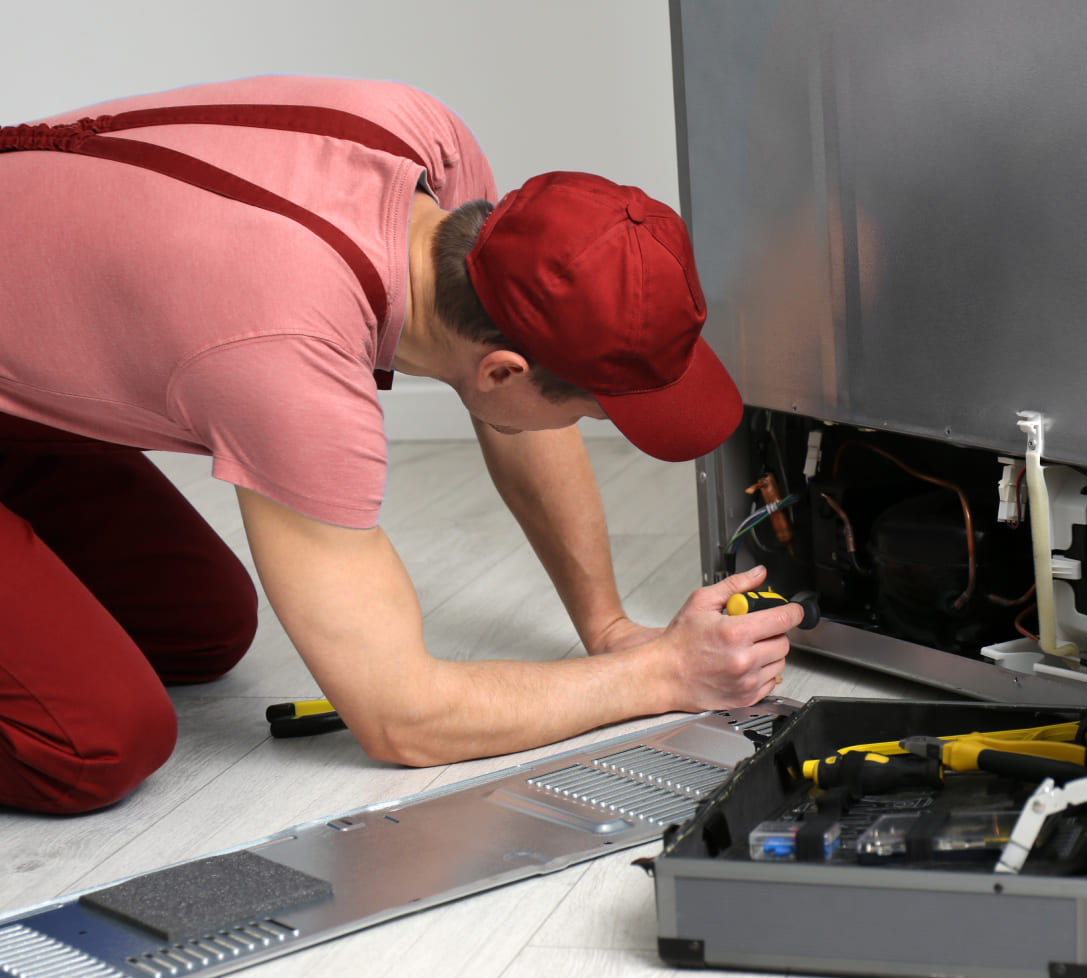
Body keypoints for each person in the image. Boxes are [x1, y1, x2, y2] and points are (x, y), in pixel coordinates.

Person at [0, 75, 801, 815]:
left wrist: (608, 628)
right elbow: (401, 719)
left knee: (200, 630)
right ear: (501, 371)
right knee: (95, 743)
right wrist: (659, 674)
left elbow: (512, 411)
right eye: (594, 414)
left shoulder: (433, 156)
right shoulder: (291, 353)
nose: (588, 428)